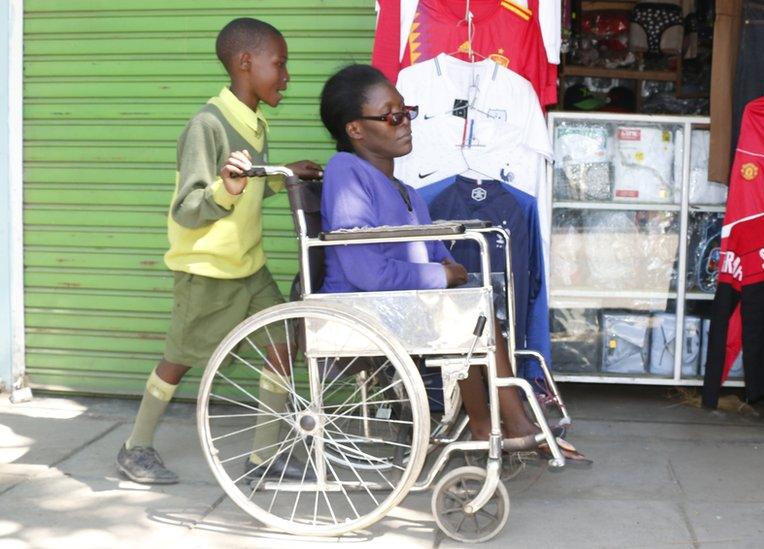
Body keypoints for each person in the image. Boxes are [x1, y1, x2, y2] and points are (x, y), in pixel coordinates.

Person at [317, 64, 586, 460]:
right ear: (355, 129)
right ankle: (514, 426)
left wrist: (448, 270)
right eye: (392, 117)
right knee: (469, 312)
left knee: (475, 306)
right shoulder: (346, 172)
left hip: (396, 304)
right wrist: (440, 274)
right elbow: (365, 271)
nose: (405, 123)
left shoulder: (406, 189)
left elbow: (432, 247)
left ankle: (494, 426)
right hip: (360, 309)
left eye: (406, 112)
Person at [115, 18, 323, 484]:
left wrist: (281, 173)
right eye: (281, 64)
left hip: (249, 264)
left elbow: (241, 185)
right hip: (207, 268)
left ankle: (262, 455)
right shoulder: (206, 125)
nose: (287, 76)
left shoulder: (252, 121)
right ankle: (135, 447)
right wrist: (228, 189)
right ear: (246, 63)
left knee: (282, 344)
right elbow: (189, 208)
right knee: (179, 357)